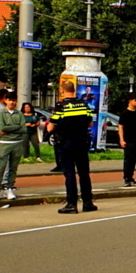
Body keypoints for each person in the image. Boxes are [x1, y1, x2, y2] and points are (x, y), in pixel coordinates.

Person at [47, 79, 96, 214]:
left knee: (69, 174)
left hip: (66, 143)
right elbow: (90, 124)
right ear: (74, 90)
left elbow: (51, 127)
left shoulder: (61, 106)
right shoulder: (84, 104)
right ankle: (88, 202)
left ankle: (71, 204)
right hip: (81, 142)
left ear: (62, 91)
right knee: (84, 173)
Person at [0, 92, 25, 201]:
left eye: (13, 100)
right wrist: (16, 128)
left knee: (13, 167)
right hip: (5, 143)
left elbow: (24, 129)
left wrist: (9, 128)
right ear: (5, 101)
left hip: (17, 143)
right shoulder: (1, 112)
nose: (11, 102)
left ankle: (10, 188)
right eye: (9, 100)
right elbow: (2, 127)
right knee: (1, 166)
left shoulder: (19, 113)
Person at [118, 94, 136, 187]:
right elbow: (121, 127)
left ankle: (131, 177)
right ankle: (126, 178)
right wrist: (121, 140)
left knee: (134, 158)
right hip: (128, 139)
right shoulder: (125, 113)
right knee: (128, 159)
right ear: (130, 101)